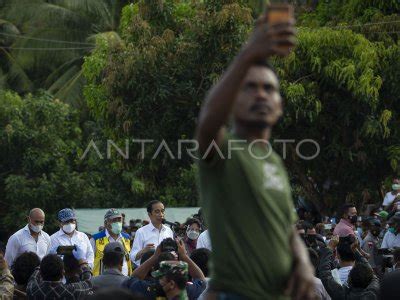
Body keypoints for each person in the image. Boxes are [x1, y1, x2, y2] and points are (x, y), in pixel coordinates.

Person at [195, 11, 314, 299]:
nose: (261, 95)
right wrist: (248, 53)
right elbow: (208, 123)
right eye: (250, 87)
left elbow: (286, 228)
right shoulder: (223, 151)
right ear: (232, 101)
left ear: (279, 105)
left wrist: (303, 263)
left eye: (269, 89)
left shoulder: (274, 162)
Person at [26, 250, 93, 299]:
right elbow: (88, 283)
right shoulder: (72, 291)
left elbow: (35, 275)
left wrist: (47, 259)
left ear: (41, 272)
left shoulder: (32, 289)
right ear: (63, 272)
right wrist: (82, 262)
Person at [130, 200, 174, 266]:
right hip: (147, 271)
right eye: (157, 211)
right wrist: (143, 251)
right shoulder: (141, 232)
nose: (161, 214)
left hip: (166, 270)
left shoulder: (168, 230)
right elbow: (132, 257)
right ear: (149, 214)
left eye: (162, 211)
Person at [91, 209, 132, 276]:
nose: (117, 223)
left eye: (119, 220)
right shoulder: (96, 239)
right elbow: (89, 261)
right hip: (102, 282)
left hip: (125, 281)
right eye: (114, 220)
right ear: (106, 223)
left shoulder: (126, 238)